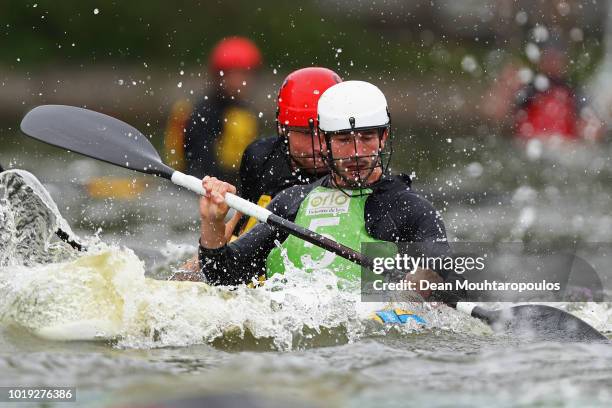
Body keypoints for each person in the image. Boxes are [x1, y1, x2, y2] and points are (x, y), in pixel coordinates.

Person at [196, 81, 454, 299]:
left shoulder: (409, 209)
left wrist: (425, 279)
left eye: (366, 138)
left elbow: (455, 277)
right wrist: (213, 222)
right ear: (324, 141)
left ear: (383, 137)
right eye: (343, 139)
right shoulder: (292, 202)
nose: (355, 153)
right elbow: (222, 277)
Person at [173, 67, 342, 278]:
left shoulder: (358, 171)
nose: (319, 145)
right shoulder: (261, 157)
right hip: (263, 252)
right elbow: (240, 229)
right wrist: (213, 227)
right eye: (306, 133)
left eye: (326, 132)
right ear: (283, 129)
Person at [182, 36, 262, 186]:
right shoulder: (204, 113)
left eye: (246, 74)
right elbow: (199, 166)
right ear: (219, 76)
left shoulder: (246, 112)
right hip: (199, 188)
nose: (241, 82)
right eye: (234, 74)